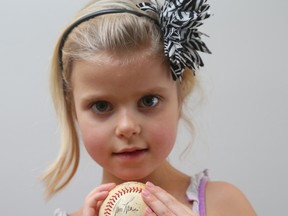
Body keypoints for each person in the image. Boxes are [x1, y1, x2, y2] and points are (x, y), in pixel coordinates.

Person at [42, 0, 257, 215]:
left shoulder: (225, 205)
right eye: (101, 106)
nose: (127, 127)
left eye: (148, 101)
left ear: (179, 98)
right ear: (73, 110)